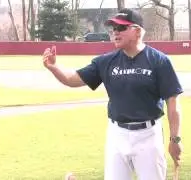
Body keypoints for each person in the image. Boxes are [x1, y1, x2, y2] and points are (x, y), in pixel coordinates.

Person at [43, 8, 183, 180]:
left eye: (121, 28)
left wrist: (174, 139)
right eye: (113, 28)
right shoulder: (106, 61)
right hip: (117, 135)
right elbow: (73, 79)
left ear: (137, 31)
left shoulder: (159, 61)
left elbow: (173, 102)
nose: (115, 32)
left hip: (148, 136)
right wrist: (54, 67)